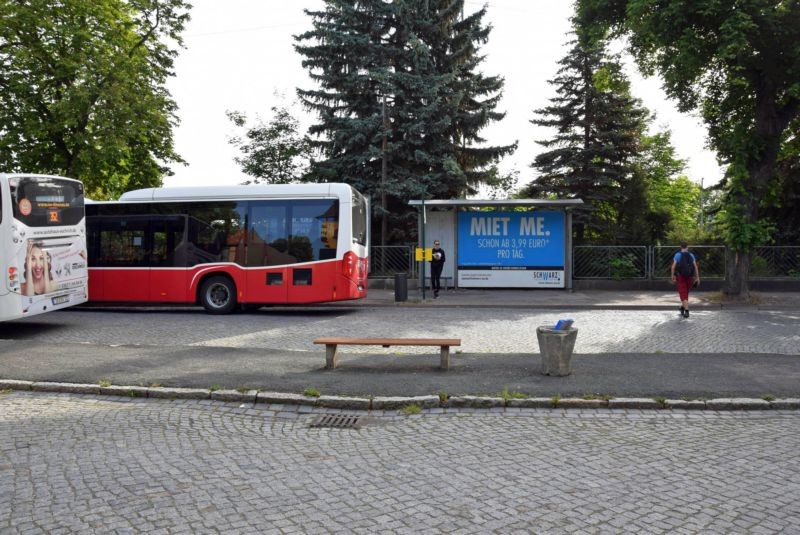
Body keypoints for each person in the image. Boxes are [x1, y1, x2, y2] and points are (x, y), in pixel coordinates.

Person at [671, 241, 701, 318]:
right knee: (685, 293)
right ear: (687, 247)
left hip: (681, 277)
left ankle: (687, 311)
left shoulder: (678, 255)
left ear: (680, 247)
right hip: (689, 277)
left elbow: (673, 266)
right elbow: (695, 267)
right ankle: (682, 308)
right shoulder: (691, 255)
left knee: (683, 294)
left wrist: (672, 276)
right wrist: (697, 278)